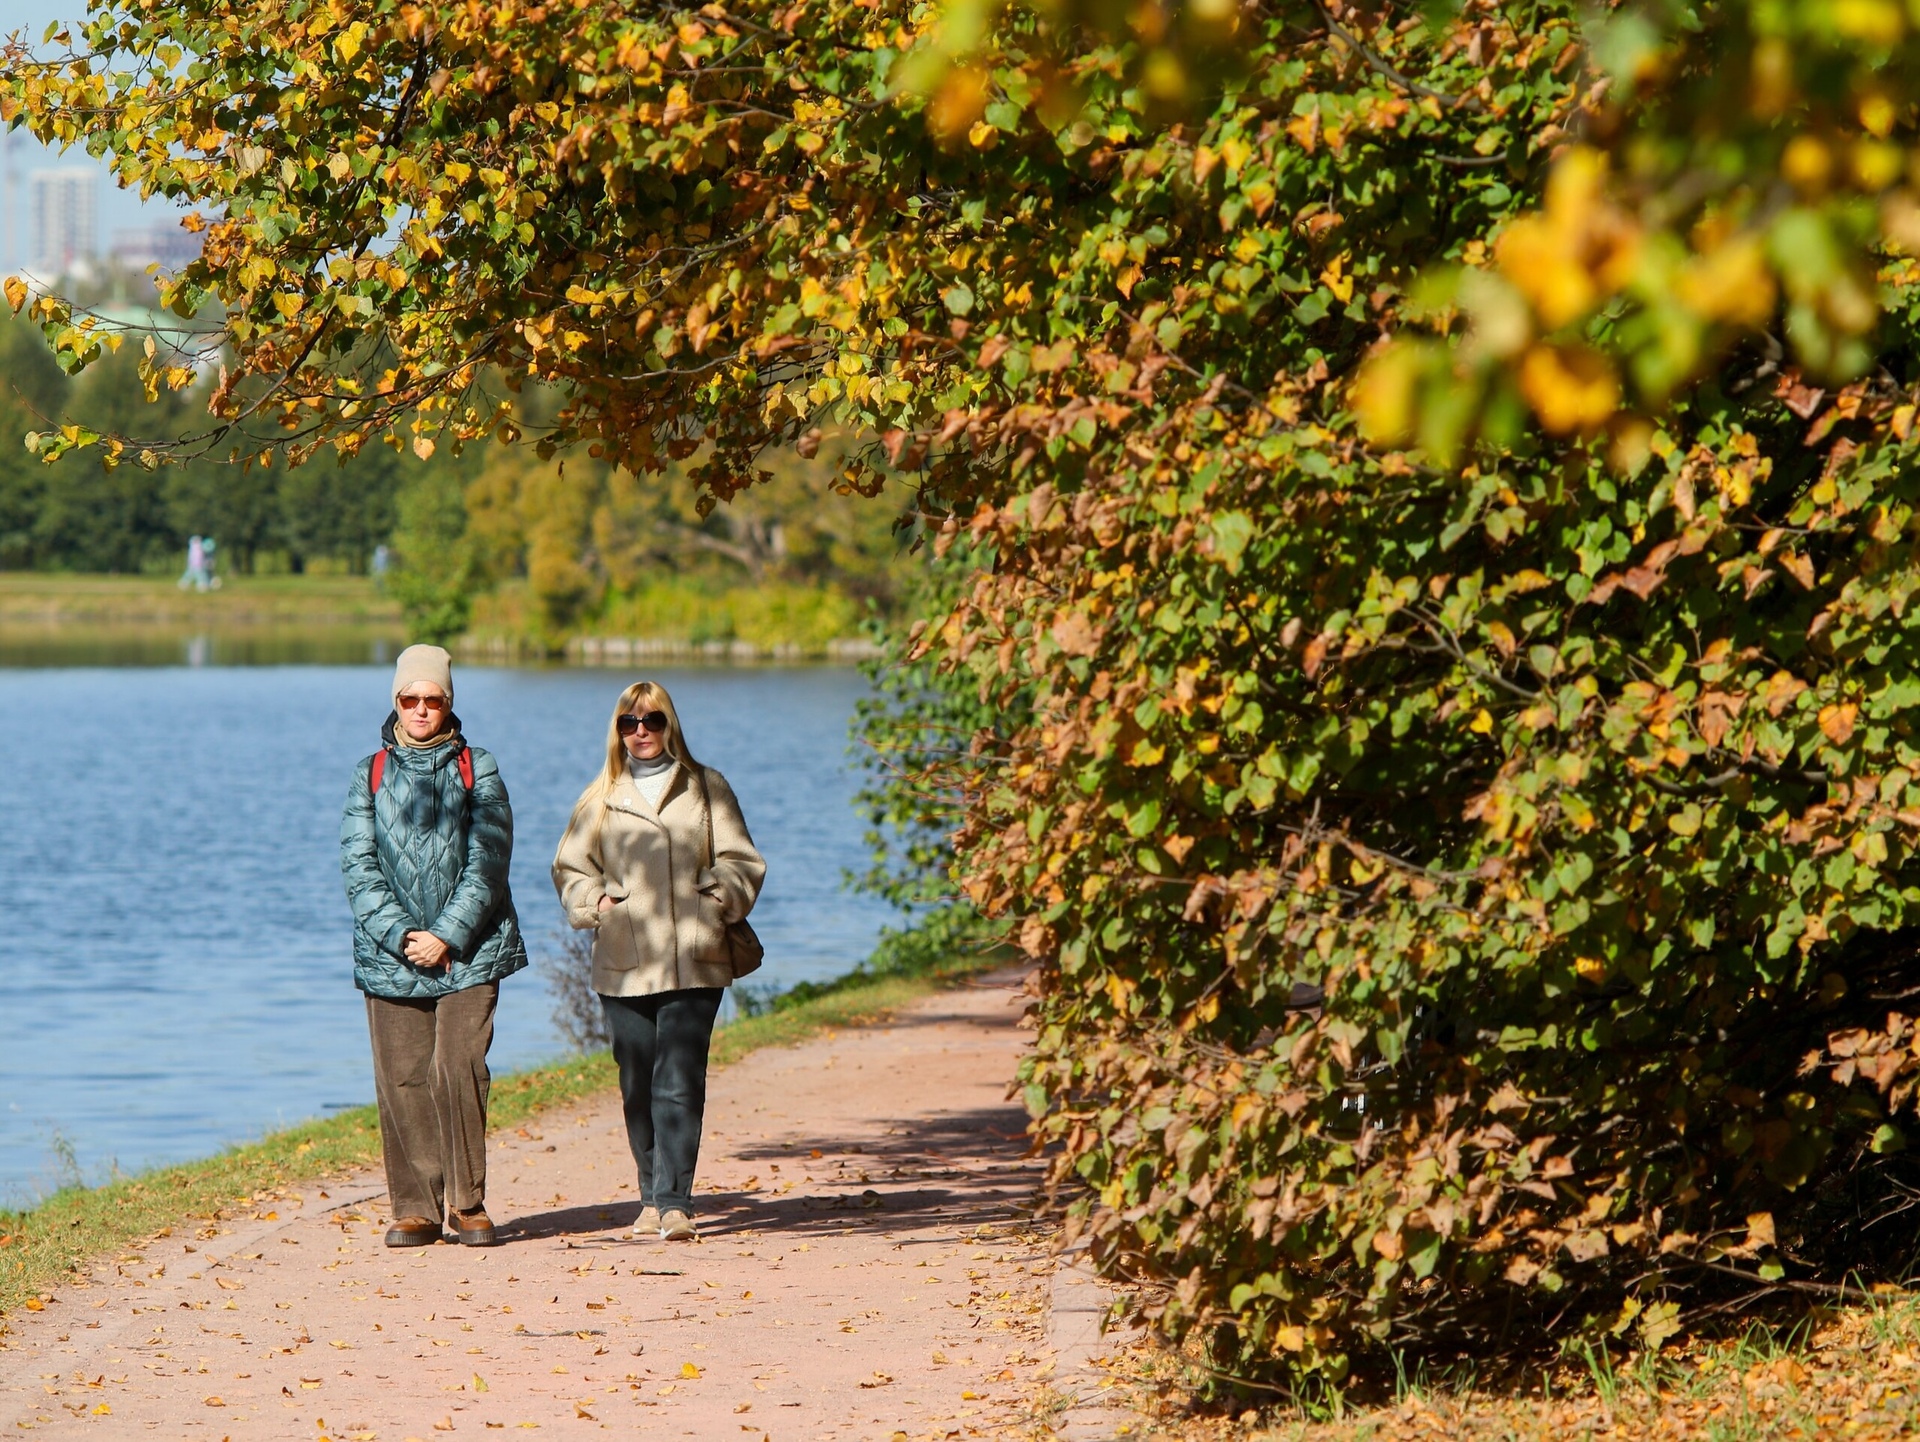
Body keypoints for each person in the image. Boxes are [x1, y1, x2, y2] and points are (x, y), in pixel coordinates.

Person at [551, 681, 766, 1242]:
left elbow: (742, 858)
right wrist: (594, 902)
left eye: (652, 720)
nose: (640, 731)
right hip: (625, 958)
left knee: (680, 1077)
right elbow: (571, 867)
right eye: (629, 722)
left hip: (696, 955)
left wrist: (719, 895)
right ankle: (649, 1195)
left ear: (670, 724)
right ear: (617, 730)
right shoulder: (598, 796)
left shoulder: (706, 787)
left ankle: (674, 1203)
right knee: (636, 1081)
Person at [341, 644, 527, 1247]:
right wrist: (402, 935)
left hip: (471, 949)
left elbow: (490, 860)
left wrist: (448, 933)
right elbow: (358, 867)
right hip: (389, 954)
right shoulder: (368, 773)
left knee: (458, 1068)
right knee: (402, 1077)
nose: (421, 709)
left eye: (433, 698)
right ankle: (415, 1206)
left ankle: (466, 1203)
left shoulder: (480, 768)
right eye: (410, 698)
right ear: (394, 701)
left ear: (449, 703)